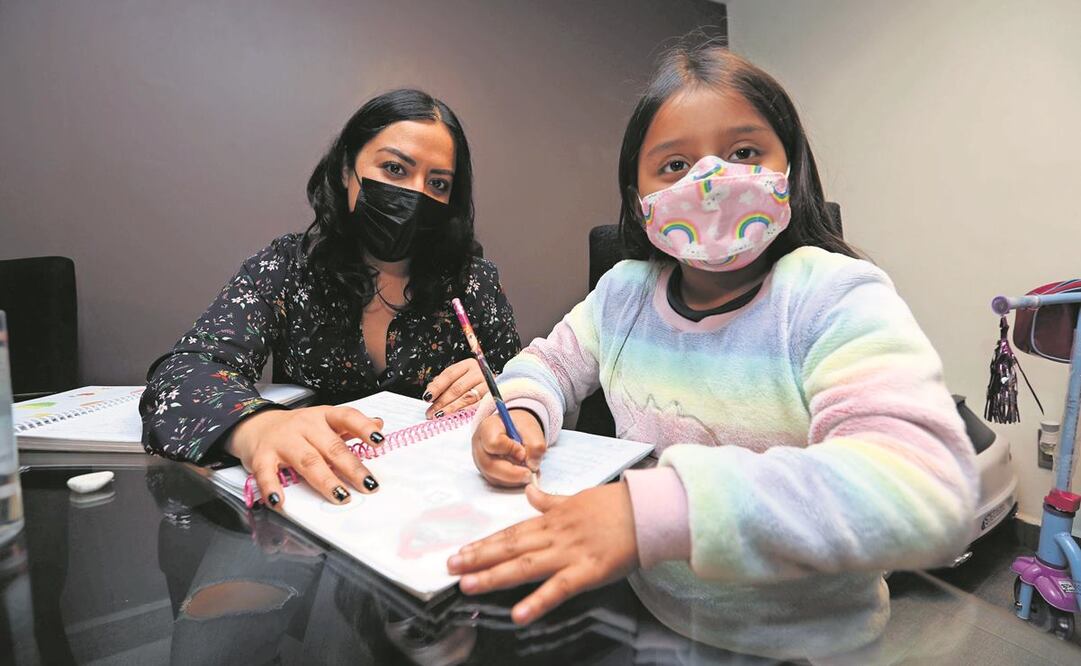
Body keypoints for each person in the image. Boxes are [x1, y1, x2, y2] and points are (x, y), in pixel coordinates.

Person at [449, 43, 977, 659]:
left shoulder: (832, 295)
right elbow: (548, 364)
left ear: (791, 169)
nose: (709, 183)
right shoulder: (622, 293)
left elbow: (924, 488)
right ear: (637, 195)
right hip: (654, 620)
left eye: (744, 152)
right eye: (673, 165)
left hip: (807, 645)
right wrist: (521, 412)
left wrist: (654, 512)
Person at [141, 89, 520, 509]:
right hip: (310, 505)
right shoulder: (287, 267)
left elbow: (529, 384)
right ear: (346, 170)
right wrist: (258, 427)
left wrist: (501, 385)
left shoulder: (472, 282)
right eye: (394, 168)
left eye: (437, 183)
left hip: (437, 506)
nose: (414, 195)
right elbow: (183, 373)